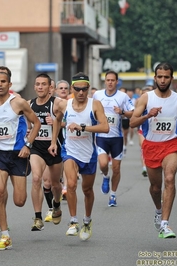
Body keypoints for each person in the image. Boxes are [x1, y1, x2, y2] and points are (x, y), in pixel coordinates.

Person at [130, 62, 177, 239]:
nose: (163, 80)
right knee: (156, 188)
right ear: (155, 78)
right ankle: (158, 210)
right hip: (151, 146)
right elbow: (133, 122)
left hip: (171, 144)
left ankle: (165, 223)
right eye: (160, 77)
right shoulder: (146, 98)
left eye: (166, 77)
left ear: (172, 78)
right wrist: (148, 115)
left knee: (170, 178)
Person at [0, 70, 41, 250]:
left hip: (18, 155)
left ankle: (5, 202)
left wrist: (28, 145)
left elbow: (36, 123)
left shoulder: (18, 103)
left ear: (9, 85)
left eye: (3, 82)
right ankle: (5, 235)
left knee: (19, 201)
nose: (0, 84)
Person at [49, 72, 109, 240]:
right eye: (77, 89)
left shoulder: (95, 105)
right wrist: (54, 142)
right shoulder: (64, 104)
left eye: (84, 89)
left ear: (88, 88)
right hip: (70, 151)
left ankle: (87, 221)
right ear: (72, 89)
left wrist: (83, 128)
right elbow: (56, 120)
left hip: (88, 154)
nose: (81, 93)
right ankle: (74, 221)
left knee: (87, 190)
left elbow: (105, 128)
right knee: (72, 185)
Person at [92, 71, 135, 207]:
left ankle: (113, 195)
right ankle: (105, 177)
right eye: (108, 80)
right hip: (101, 137)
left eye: (112, 80)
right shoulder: (97, 95)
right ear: (105, 81)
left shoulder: (123, 97)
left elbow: (132, 113)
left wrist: (121, 112)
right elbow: (91, 111)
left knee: (116, 169)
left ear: (117, 82)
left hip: (117, 137)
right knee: (104, 164)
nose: (110, 82)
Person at [28, 73, 64, 230]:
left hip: (54, 148)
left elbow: (71, 115)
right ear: (34, 86)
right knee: (36, 179)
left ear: (50, 87)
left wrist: (56, 122)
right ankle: (37, 217)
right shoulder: (29, 105)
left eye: (44, 84)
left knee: (55, 184)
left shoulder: (56, 103)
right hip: (36, 148)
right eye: (38, 84)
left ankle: (56, 205)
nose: (40, 87)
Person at [55, 80, 70, 200]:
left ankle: (65, 187)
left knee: (66, 162)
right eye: (60, 88)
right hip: (54, 136)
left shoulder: (72, 103)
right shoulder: (53, 103)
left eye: (65, 88)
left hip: (68, 136)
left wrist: (61, 124)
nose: (63, 90)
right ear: (56, 90)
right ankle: (60, 184)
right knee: (58, 163)